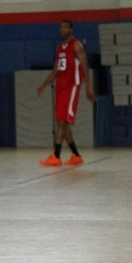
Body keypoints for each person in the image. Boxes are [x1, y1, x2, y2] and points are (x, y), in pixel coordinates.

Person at [37, 19, 96, 166]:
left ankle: (56, 156)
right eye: (60, 28)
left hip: (72, 86)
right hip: (61, 87)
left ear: (71, 30)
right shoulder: (59, 49)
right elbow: (56, 70)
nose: (62, 30)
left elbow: (85, 65)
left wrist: (89, 87)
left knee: (62, 122)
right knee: (62, 123)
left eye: (65, 27)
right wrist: (44, 84)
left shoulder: (76, 45)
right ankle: (76, 155)